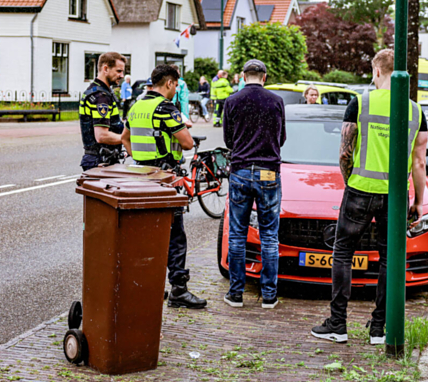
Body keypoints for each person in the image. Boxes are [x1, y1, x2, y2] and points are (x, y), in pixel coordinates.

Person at [310, 49, 428, 345]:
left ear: (377, 72)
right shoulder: (415, 111)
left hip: (360, 190)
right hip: (395, 195)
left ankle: (338, 324)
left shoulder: (360, 103)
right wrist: (417, 200)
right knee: (390, 258)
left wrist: (349, 180)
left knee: (342, 253)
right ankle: (380, 328)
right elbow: (420, 163)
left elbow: (344, 152)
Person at [121, 64, 207, 310]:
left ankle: (149, 288)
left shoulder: (136, 106)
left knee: (146, 235)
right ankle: (179, 290)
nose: (176, 89)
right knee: (175, 236)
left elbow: (125, 138)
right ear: (169, 83)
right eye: (176, 85)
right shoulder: (165, 108)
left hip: (141, 177)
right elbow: (188, 143)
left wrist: (139, 159)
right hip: (165, 178)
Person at [221, 59, 286, 309]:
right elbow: (281, 137)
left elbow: (228, 139)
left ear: (243, 76)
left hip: (240, 171)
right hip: (269, 171)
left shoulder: (232, 101)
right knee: (269, 235)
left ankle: (236, 293)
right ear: (265, 76)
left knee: (237, 234)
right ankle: (269, 295)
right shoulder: (276, 101)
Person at [78, 52, 126, 171]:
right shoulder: (101, 97)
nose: (122, 75)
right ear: (105, 69)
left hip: (98, 158)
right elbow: (101, 136)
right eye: (118, 71)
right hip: (100, 160)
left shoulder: (96, 91)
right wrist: (126, 139)